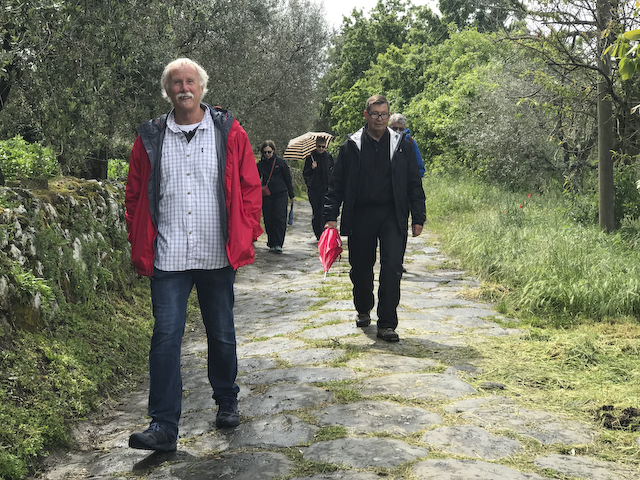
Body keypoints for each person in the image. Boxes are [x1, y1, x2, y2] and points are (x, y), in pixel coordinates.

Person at [124, 58, 263, 452]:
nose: (184, 88)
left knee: (221, 333)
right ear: (168, 91)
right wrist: (140, 238)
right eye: (176, 83)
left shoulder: (228, 132)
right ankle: (163, 425)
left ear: (202, 88)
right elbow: (134, 194)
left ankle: (226, 399)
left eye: (190, 82)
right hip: (168, 257)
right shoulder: (151, 136)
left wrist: (248, 230)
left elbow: (249, 186)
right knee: (165, 336)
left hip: (216, 254)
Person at [324, 95, 426, 342]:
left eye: (384, 114)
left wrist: (418, 216)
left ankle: (387, 323)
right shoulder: (352, 145)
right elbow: (336, 183)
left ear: (389, 116)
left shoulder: (403, 144)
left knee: (392, 267)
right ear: (366, 115)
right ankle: (363, 307)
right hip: (361, 214)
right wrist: (330, 216)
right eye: (375, 114)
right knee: (360, 267)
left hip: (393, 214)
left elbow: (414, 181)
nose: (380, 119)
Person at [257, 140, 295, 253]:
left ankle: (278, 243)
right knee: (268, 219)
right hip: (267, 195)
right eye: (265, 152)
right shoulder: (260, 165)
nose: (267, 154)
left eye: (269, 152)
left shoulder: (281, 163)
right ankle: (271, 242)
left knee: (280, 218)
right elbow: (254, 179)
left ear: (273, 151)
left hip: (281, 194)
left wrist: (291, 195)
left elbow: (288, 179)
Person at [303, 137, 334, 240]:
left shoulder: (328, 157)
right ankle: (318, 233)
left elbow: (333, 171)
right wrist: (311, 168)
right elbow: (305, 173)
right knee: (317, 212)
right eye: (319, 146)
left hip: (326, 188)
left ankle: (324, 232)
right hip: (314, 189)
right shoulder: (310, 157)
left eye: (323, 147)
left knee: (324, 211)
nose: (321, 148)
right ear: (315, 146)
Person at [389, 113, 425, 177]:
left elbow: (420, 168)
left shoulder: (410, 142)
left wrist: (412, 182)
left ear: (404, 128)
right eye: (394, 128)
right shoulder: (382, 140)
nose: (398, 131)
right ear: (389, 126)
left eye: (401, 129)